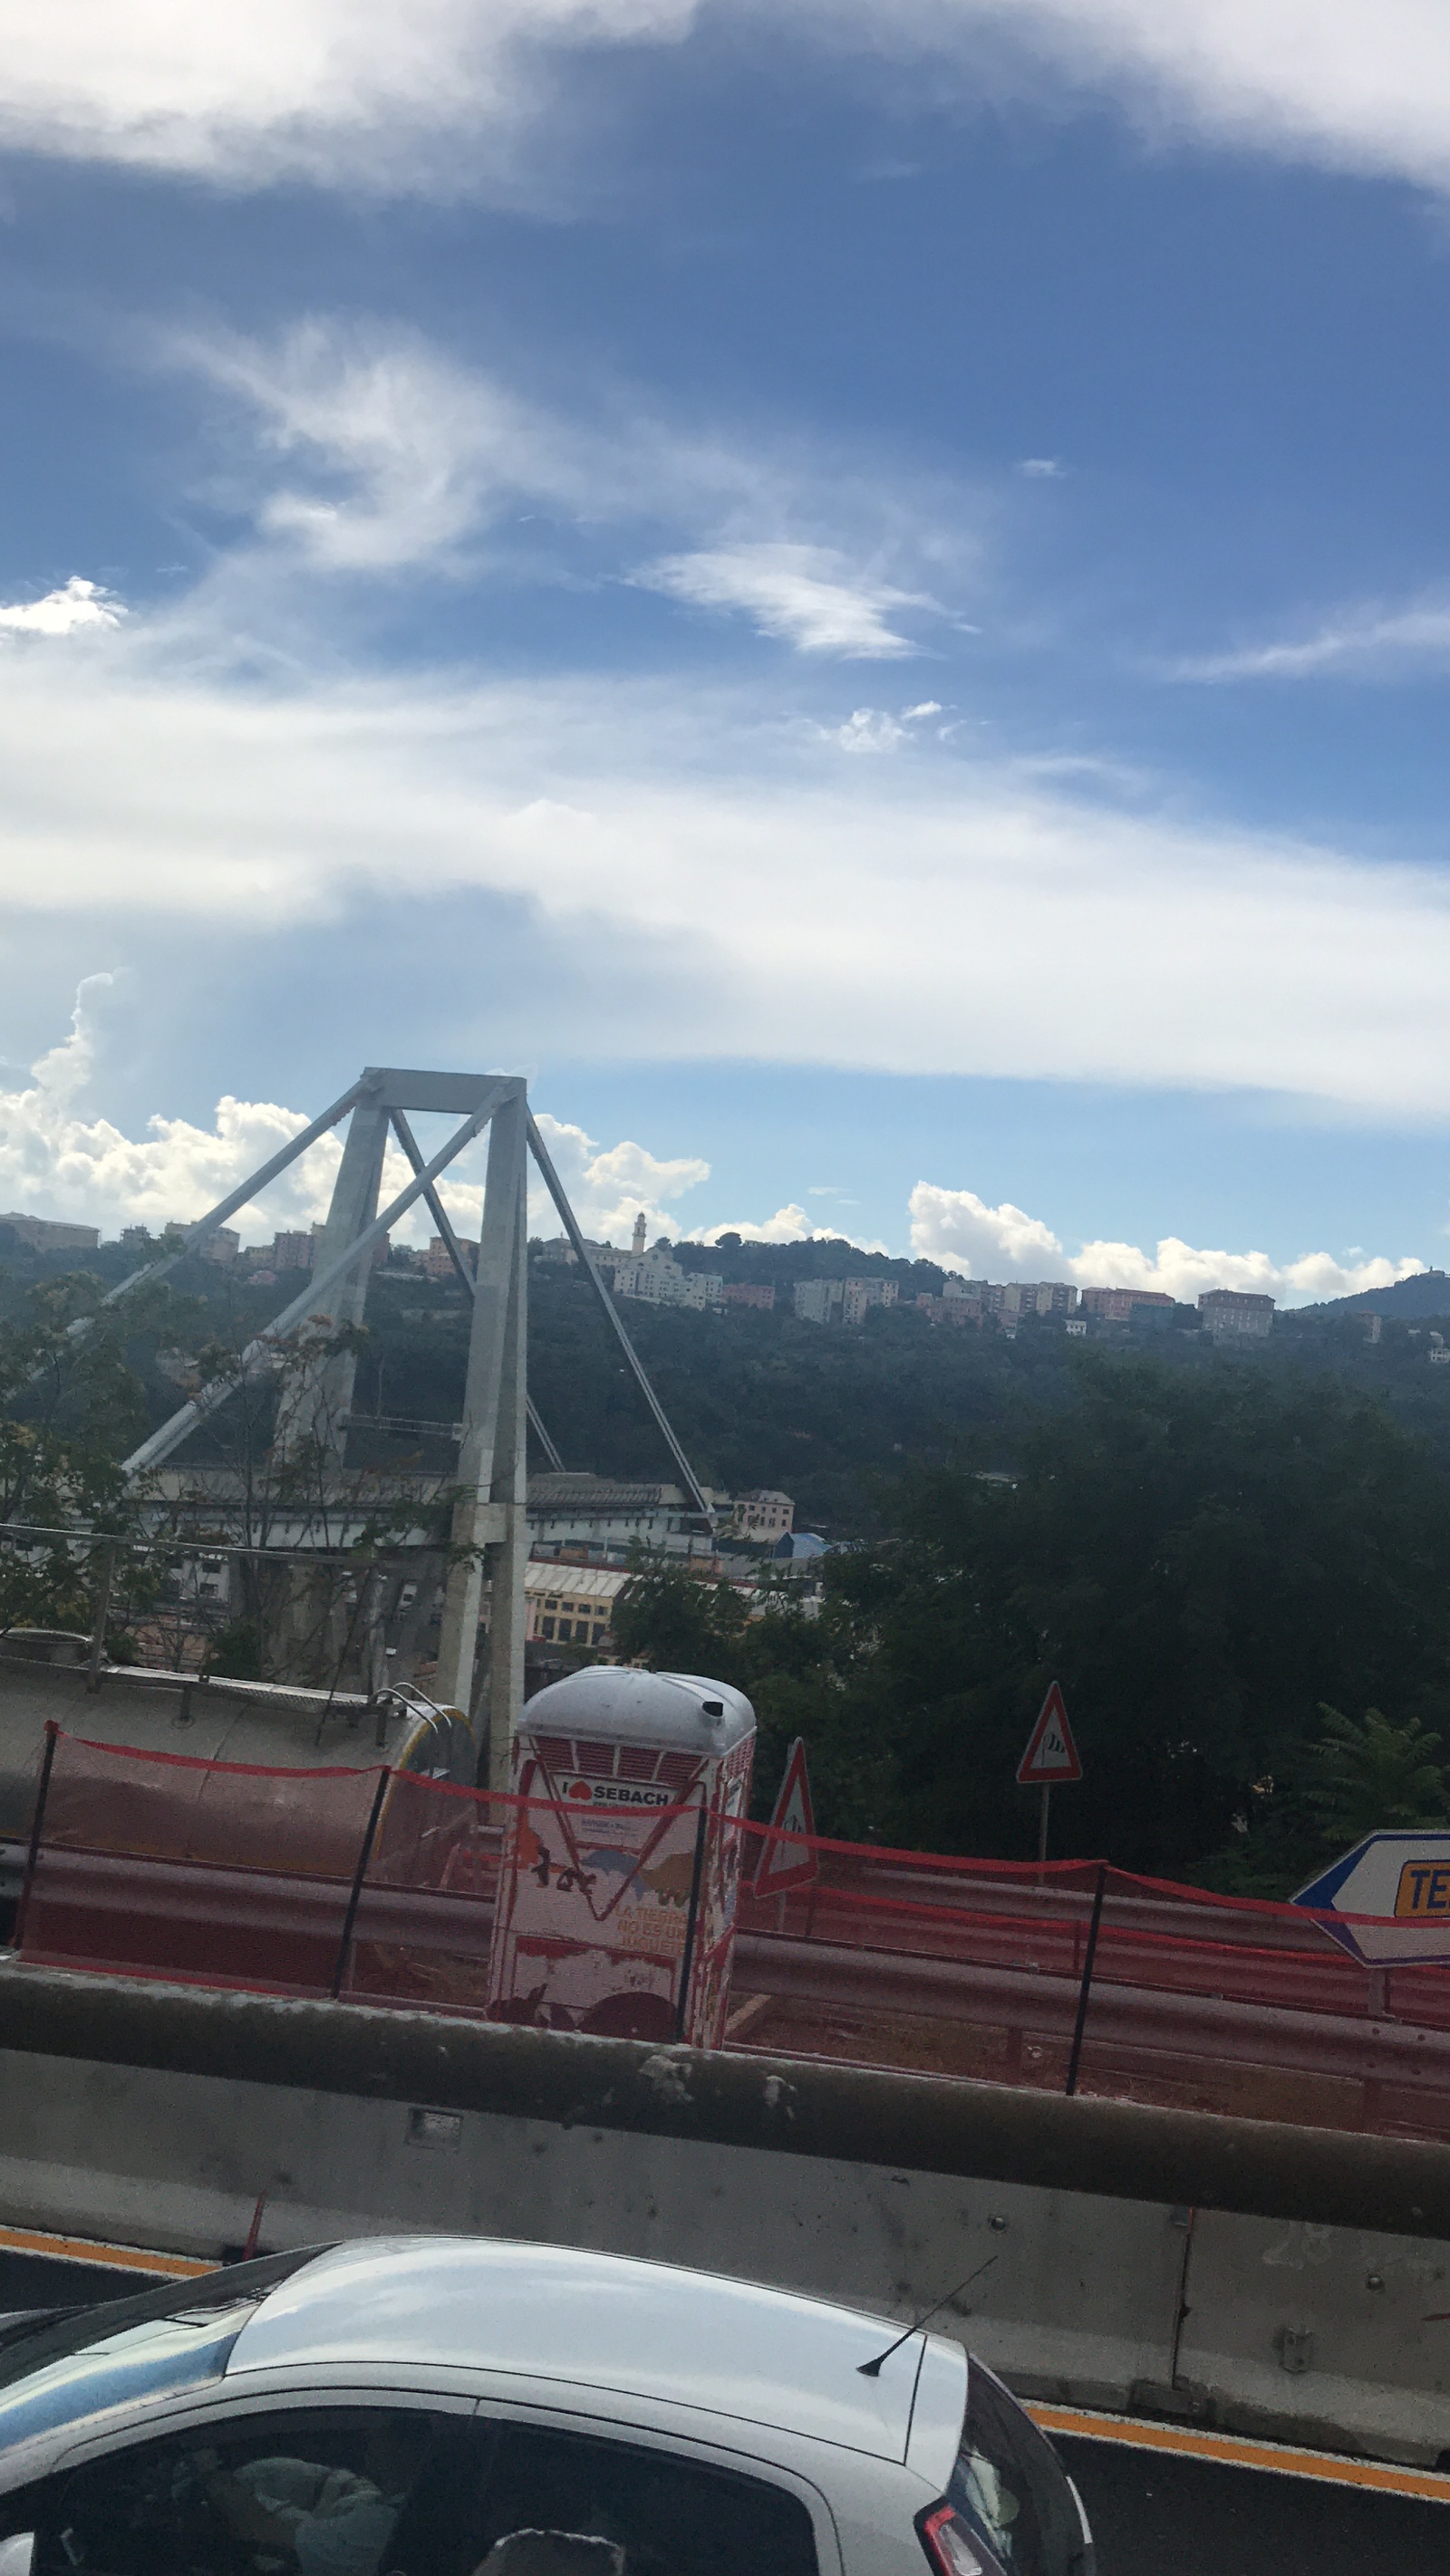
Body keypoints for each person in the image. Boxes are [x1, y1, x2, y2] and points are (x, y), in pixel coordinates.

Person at [206, 2417, 422, 2576]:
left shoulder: (379, 2527)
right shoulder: (405, 2510)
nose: (369, 2435)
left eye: (382, 2429)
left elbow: (260, 2530)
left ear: (404, 2448)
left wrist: (213, 2478)